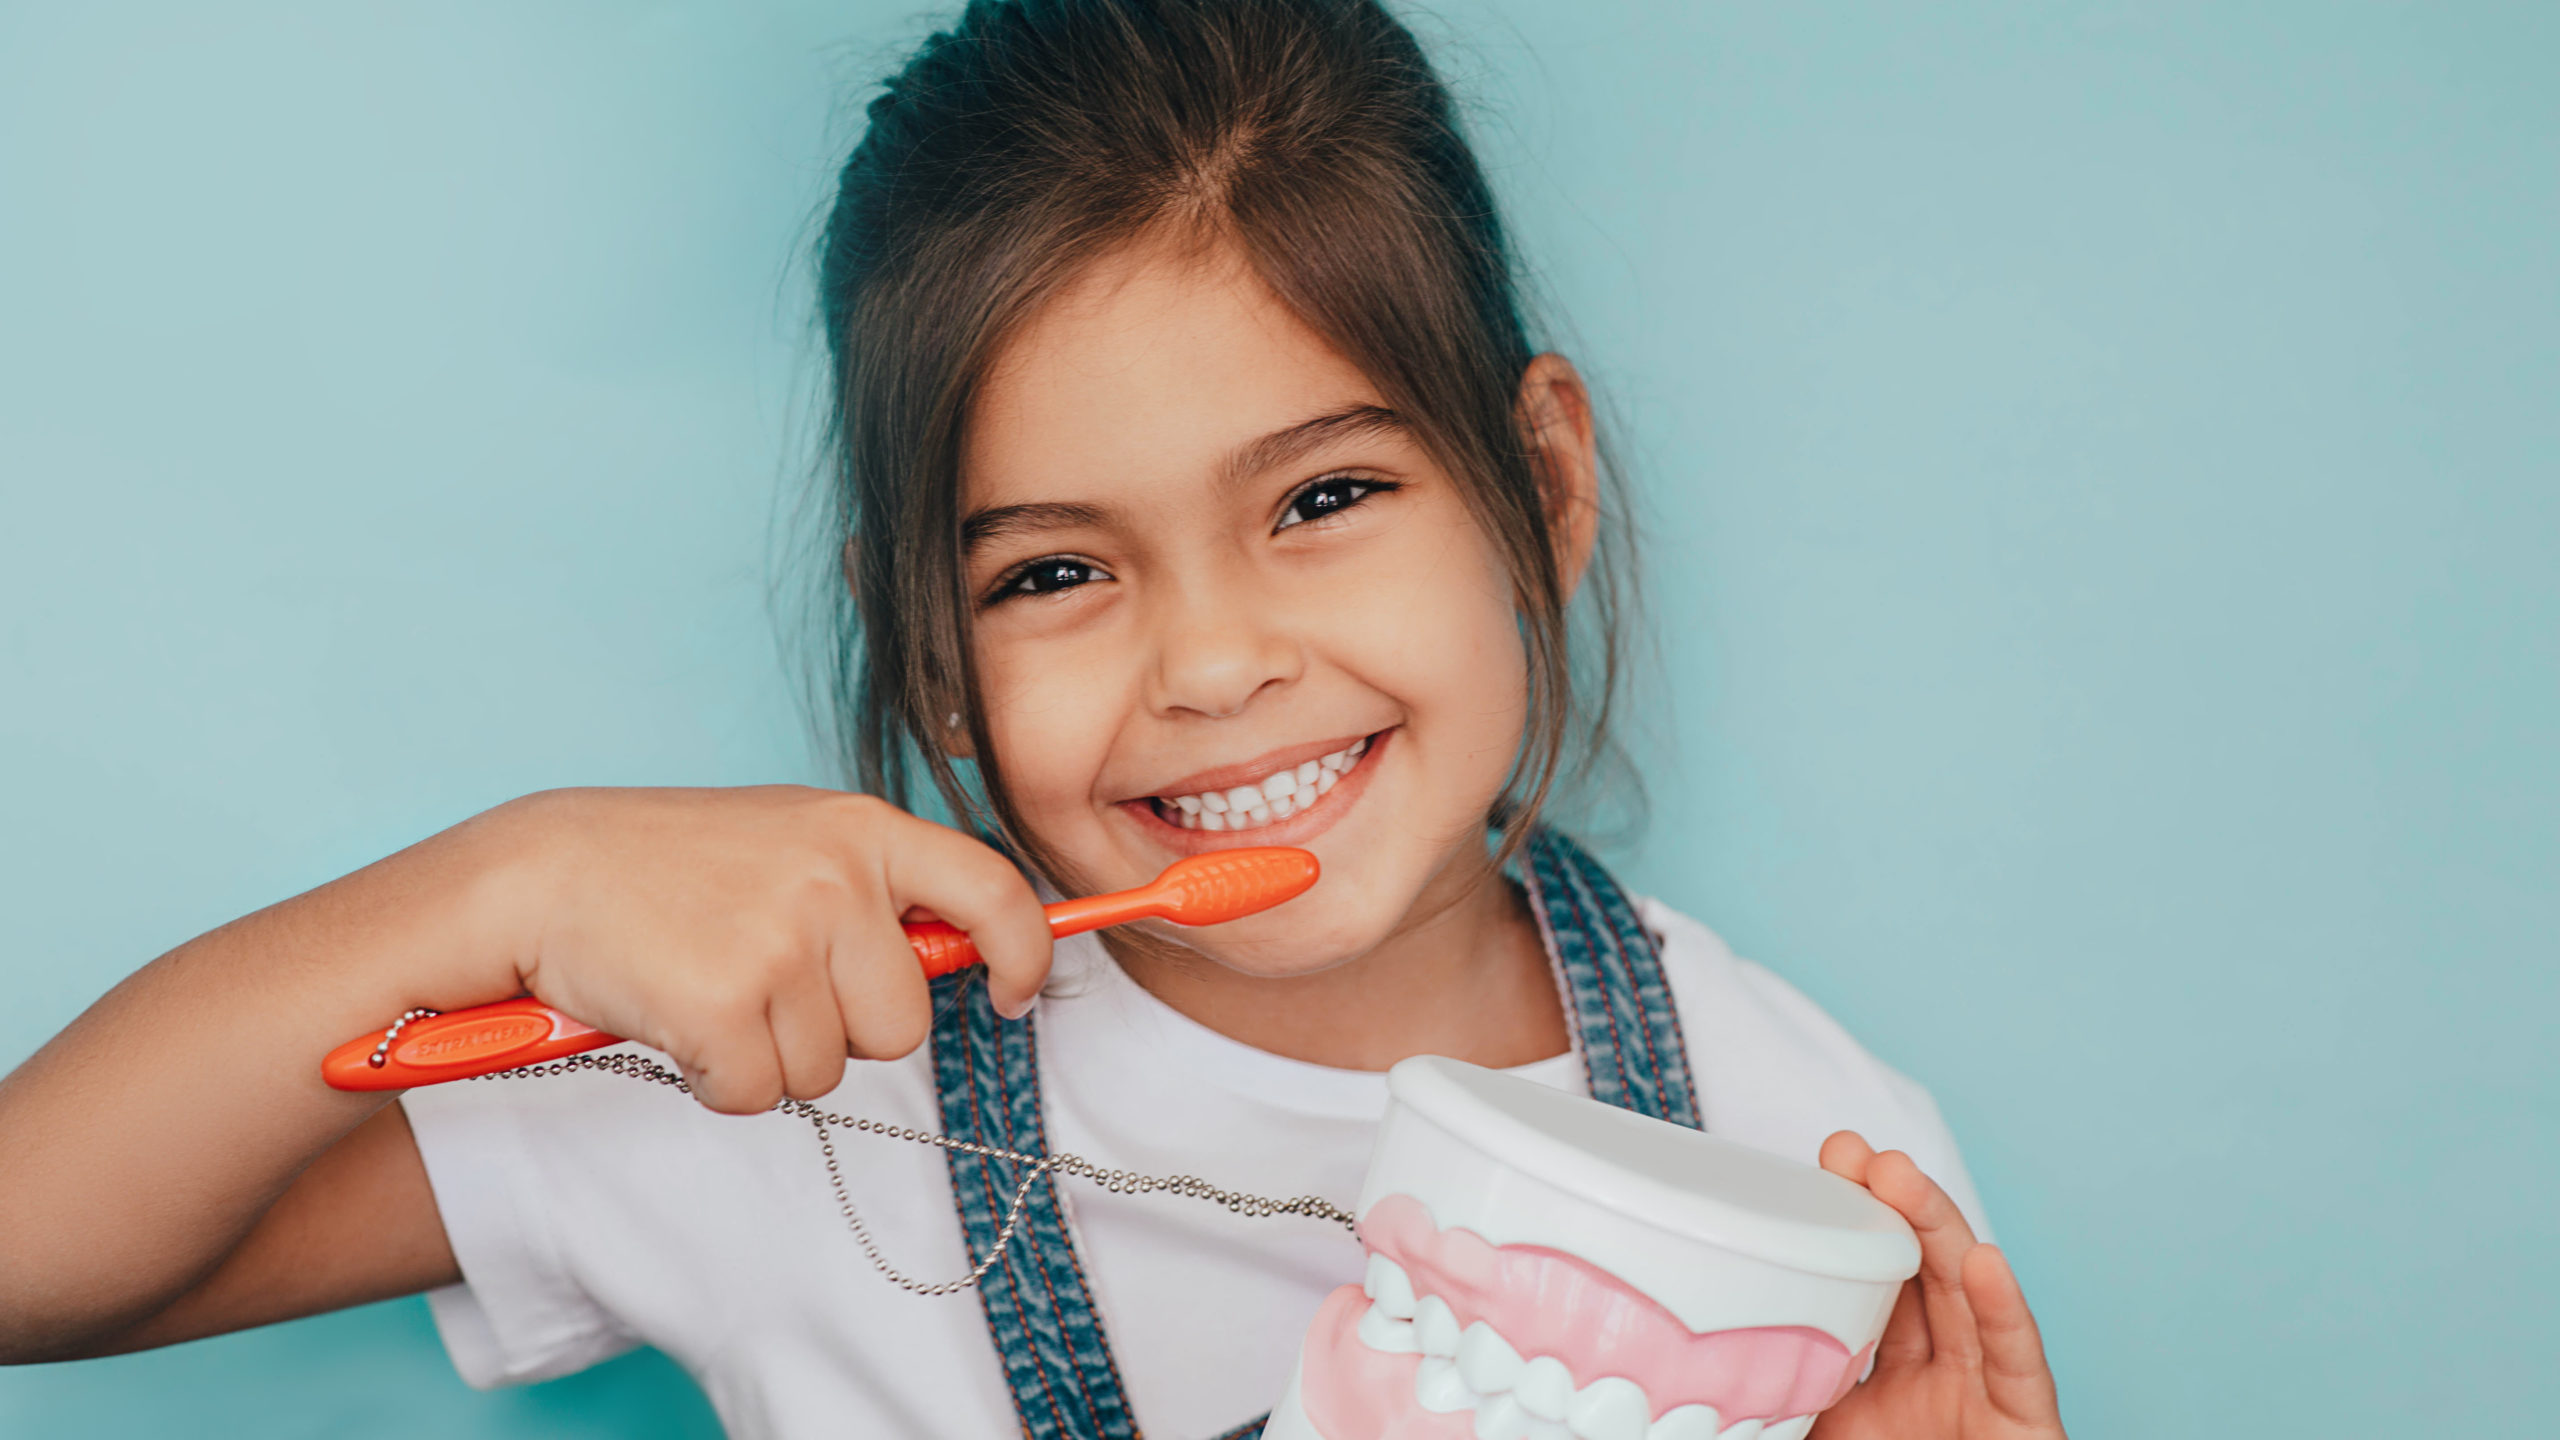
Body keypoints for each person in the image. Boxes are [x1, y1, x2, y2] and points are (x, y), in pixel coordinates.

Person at [0, 2, 2067, 1436]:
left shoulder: (1802, 1157)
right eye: (1054, 573)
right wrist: (516, 877)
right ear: (927, 662)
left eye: (1321, 499)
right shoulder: (791, 1088)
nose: (1208, 665)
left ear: (1534, 486)